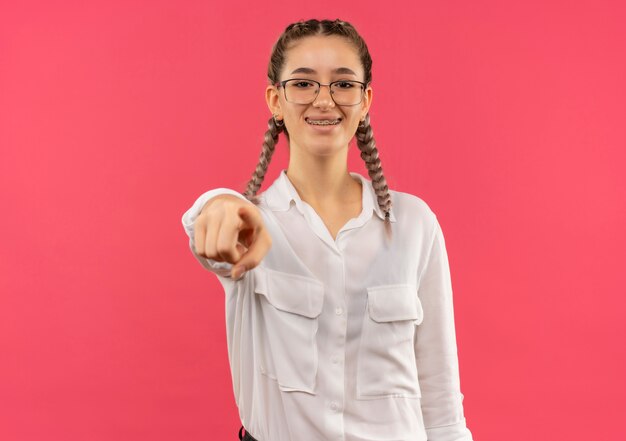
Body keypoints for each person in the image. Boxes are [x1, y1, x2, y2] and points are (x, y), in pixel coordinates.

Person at [181, 18, 473, 441]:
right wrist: (219, 203)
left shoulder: (415, 224)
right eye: (302, 84)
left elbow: (442, 403)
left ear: (365, 100)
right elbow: (207, 230)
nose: (324, 100)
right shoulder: (252, 226)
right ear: (275, 100)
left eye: (343, 84)